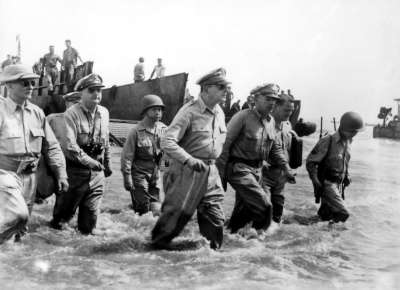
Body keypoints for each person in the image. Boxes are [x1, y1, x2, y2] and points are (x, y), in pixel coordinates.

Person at [151, 68, 229, 249]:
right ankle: (152, 255)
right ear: (206, 88)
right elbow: (167, 141)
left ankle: (212, 259)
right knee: (172, 223)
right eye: (221, 87)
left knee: (215, 218)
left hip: (210, 173)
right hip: (187, 171)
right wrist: (189, 160)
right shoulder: (189, 112)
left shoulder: (220, 112)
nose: (226, 91)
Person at [0, 64, 68, 242]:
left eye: (32, 82)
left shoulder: (37, 113)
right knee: (18, 216)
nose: (30, 86)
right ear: (9, 86)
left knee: (20, 229)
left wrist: (61, 174)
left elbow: (51, 146)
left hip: (30, 177)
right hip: (5, 174)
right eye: (24, 82)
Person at [217, 83, 295, 235]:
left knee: (242, 214)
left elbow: (274, 148)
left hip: (257, 171)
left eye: (274, 99)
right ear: (255, 99)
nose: (272, 102)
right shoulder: (242, 117)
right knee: (265, 206)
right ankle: (259, 243)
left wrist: (286, 168)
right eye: (267, 98)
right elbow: (224, 146)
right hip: (239, 169)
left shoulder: (271, 121)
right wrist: (220, 176)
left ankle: (228, 243)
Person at [50, 74, 112, 234]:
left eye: (99, 90)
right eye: (92, 90)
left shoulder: (104, 113)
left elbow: (105, 142)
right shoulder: (72, 113)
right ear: (81, 93)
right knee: (61, 224)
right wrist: (90, 162)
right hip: (74, 173)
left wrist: (108, 163)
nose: (97, 94)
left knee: (89, 226)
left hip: (97, 175)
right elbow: (70, 146)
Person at [306, 111, 364, 223]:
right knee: (343, 213)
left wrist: (347, 175)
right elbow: (310, 162)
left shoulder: (348, 141)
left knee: (325, 216)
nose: (355, 134)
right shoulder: (328, 140)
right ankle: (331, 237)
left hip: (338, 184)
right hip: (327, 183)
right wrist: (315, 180)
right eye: (354, 132)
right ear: (346, 129)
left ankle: (313, 235)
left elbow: (344, 161)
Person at [121, 94, 167, 215]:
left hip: (155, 175)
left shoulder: (164, 130)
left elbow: (167, 153)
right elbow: (127, 156)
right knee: (143, 209)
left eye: (160, 110)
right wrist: (127, 177)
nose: (158, 112)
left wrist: (165, 172)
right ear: (145, 111)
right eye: (154, 109)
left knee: (157, 211)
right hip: (139, 175)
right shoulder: (135, 131)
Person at [36, 92, 82, 202]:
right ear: (67, 103)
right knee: (46, 191)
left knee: (68, 198)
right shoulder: (52, 119)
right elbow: (40, 140)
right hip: (54, 163)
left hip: (75, 165)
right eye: (74, 103)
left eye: (80, 104)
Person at [262, 93, 297, 226]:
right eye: (286, 110)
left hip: (281, 176)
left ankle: (272, 243)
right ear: (276, 106)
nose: (289, 114)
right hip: (264, 175)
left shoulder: (287, 125)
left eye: (291, 111)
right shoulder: (265, 124)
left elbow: (287, 149)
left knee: (277, 212)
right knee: (263, 210)